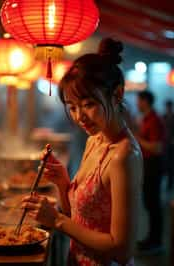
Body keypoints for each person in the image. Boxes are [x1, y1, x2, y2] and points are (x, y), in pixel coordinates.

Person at [22, 38, 143, 266]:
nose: (79, 117)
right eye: (73, 107)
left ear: (117, 94)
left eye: (88, 105)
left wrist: (57, 220)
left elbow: (121, 249)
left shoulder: (124, 155)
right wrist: (62, 181)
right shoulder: (95, 140)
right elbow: (79, 216)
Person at [135, 90, 166, 253]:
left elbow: (157, 147)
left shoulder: (155, 120)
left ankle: (156, 241)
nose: (137, 104)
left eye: (139, 101)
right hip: (149, 165)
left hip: (154, 165)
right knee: (149, 203)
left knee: (153, 204)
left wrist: (138, 139)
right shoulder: (147, 119)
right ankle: (152, 238)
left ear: (145, 101)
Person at [163, 100, 174, 191]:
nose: (168, 109)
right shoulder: (164, 117)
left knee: (171, 163)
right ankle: (168, 183)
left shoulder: (172, 117)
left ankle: (170, 183)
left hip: (171, 143)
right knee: (167, 162)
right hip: (166, 143)